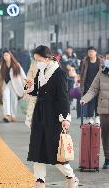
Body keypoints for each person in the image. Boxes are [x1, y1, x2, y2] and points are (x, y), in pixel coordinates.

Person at [25, 45, 79, 188]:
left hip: (54, 116)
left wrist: (66, 119)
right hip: (39, 114)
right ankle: (39, 181)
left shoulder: (59, 73)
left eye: (39, 60)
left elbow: (63, 98)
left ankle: (71, 176)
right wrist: (29, 86)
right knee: (37, 149)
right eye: (35, 60)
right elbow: (36, 91)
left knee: (55, 150)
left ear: (47, 58)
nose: (37, 63)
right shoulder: (40, 71)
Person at [0, 50, 26, 122]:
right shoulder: (2, 65)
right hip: (6, 84)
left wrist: (26, 86)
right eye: (4, 55)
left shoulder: (16, 65)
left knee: (14, 100)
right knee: (5, 97)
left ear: (10, 56)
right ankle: (7, 115)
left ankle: (13, 116)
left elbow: (23, 76)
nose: (5, 57)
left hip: (15, 85)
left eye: (7, 55)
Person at [80, 46, 103, 124]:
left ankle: (97, 116)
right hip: (88, 84)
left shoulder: (101, 61)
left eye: (92, 51)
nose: (90, 53)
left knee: (98, 101)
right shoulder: (84, 61)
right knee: (90, 102)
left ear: (96, 52)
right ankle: (90, 117)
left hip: (99, 85)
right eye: (89, 51)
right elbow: (82, 73)